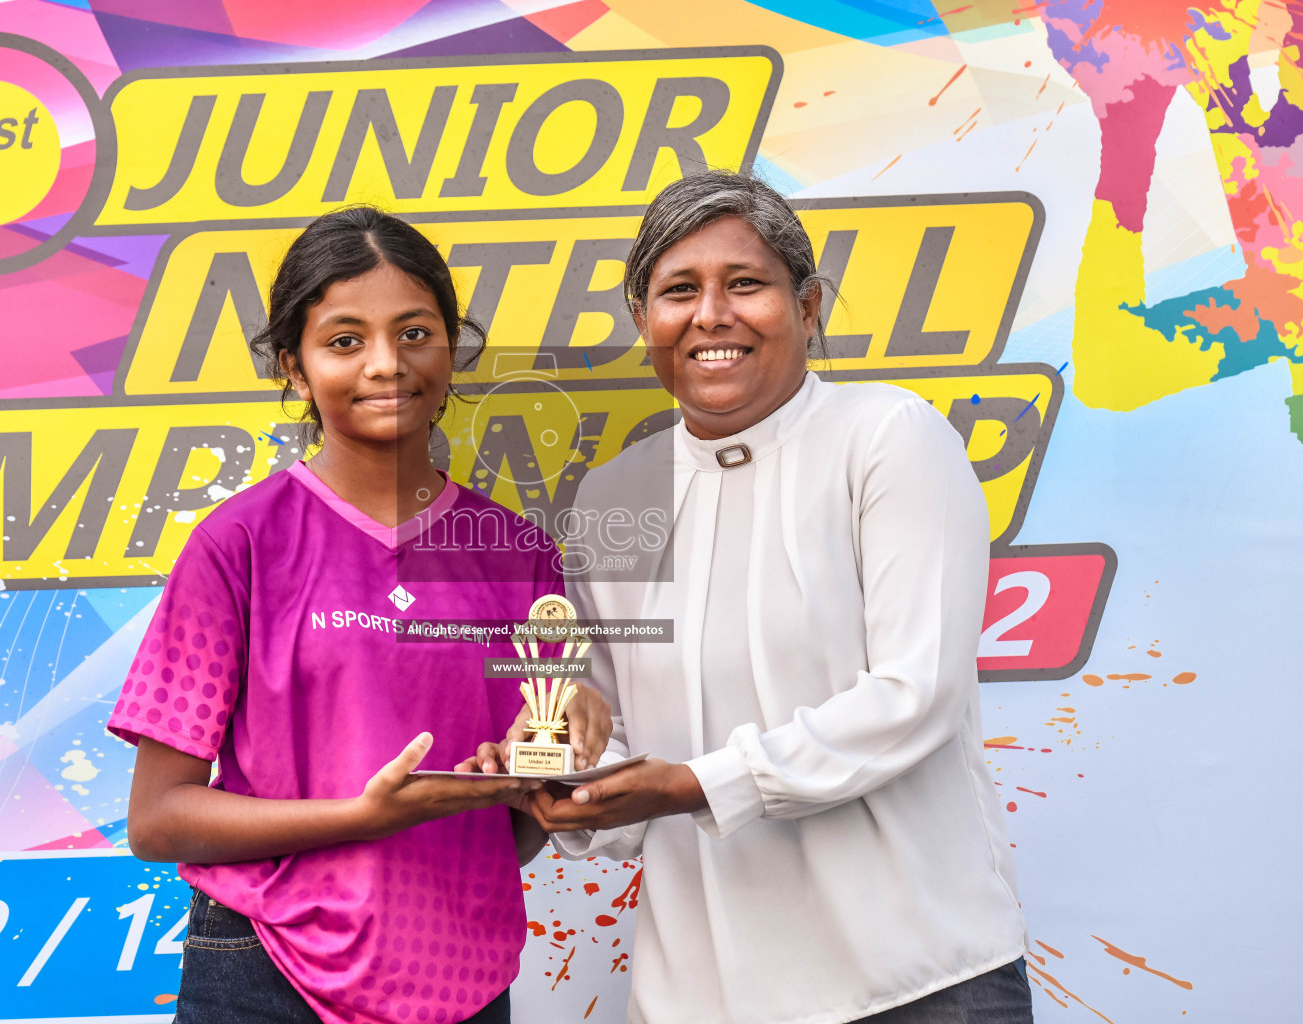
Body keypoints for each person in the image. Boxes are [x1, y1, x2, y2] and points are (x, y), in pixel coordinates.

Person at [523, 172, 1033, 1023]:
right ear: (644, 322)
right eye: (677, 291)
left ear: (809, 307)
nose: (711, 315)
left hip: (917, 981)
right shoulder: (616, 495)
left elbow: (915, 697)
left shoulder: (886, 437)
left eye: (745, 284)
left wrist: (692, 782)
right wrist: (560, 778)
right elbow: (617, 739)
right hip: (704, 996)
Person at [106, 207, 610, 1024]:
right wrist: (362, 818)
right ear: (294, 368)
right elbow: (158, 820)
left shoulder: (519, 556)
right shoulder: (235, 545)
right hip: (266, 971)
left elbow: (525, 813)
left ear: (452, 350)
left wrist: (546, 771)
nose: (386, 364)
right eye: (345, 340)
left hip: (464, 980)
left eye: (415, 333)